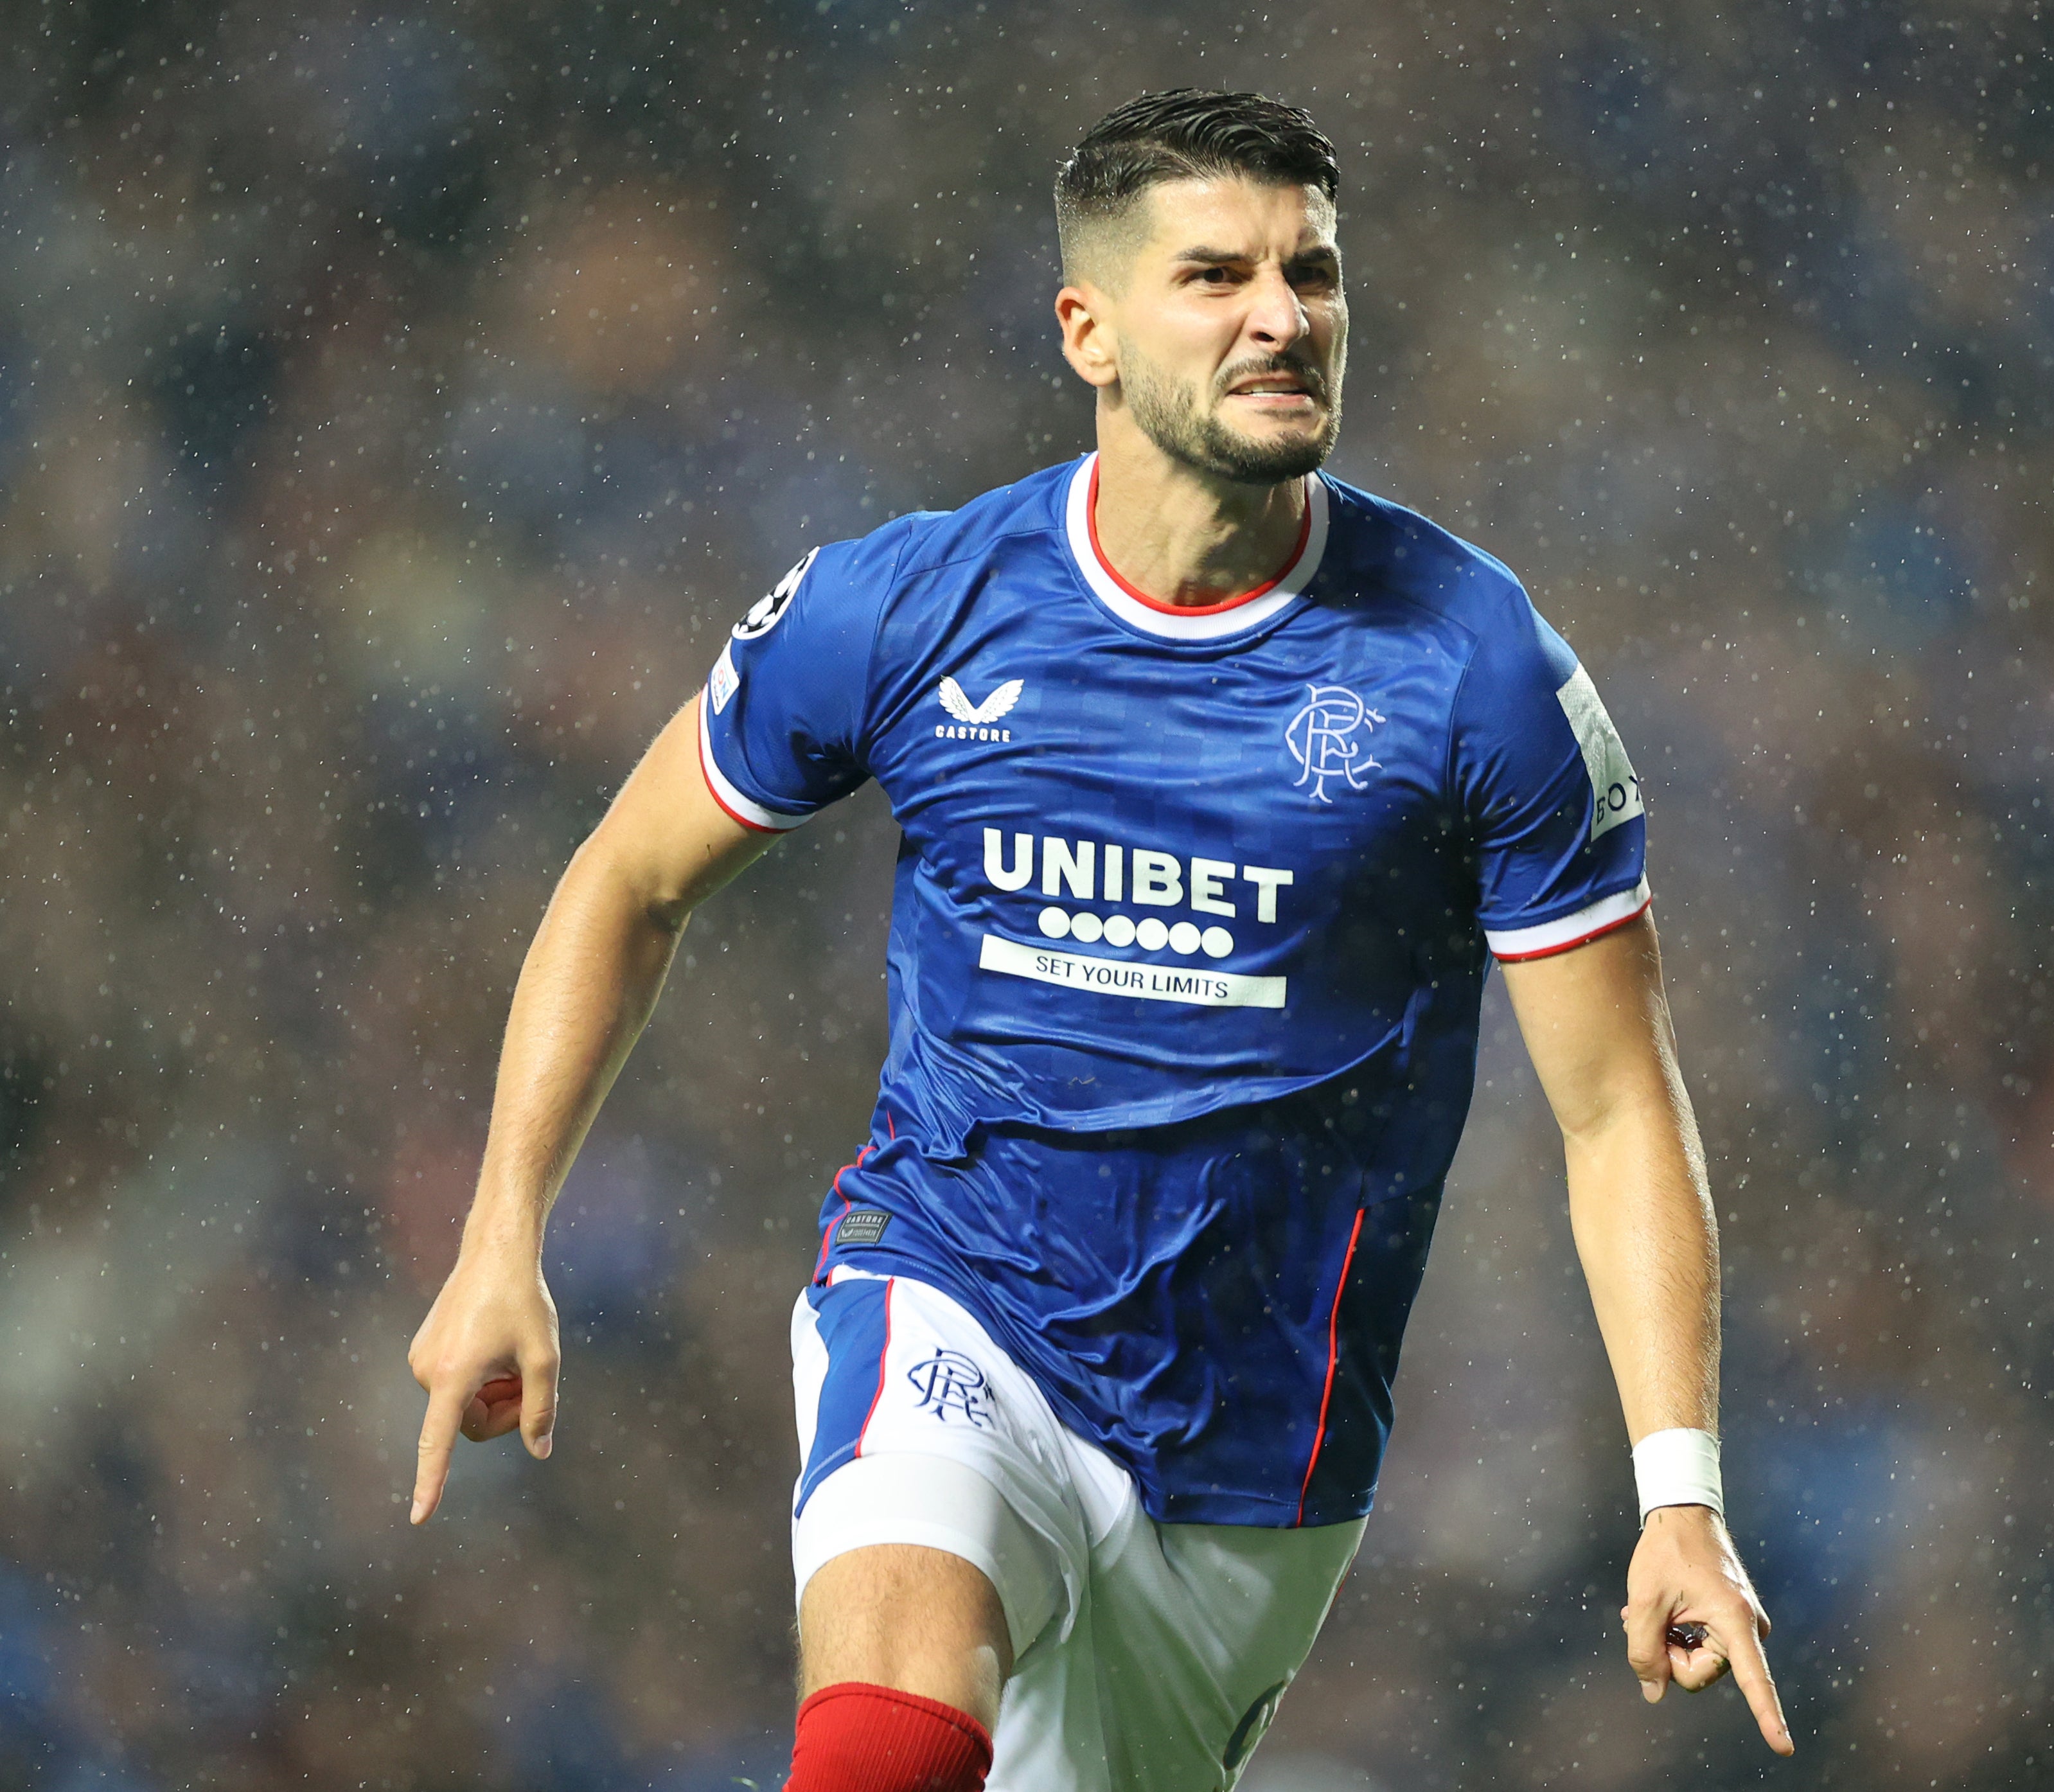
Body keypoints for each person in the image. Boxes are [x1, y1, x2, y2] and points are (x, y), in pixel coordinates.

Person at [405, 88, 1793, 1791]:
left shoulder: (1475, 667)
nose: (1283, 317)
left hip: (1255, 1456)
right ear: (1089, 330)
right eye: (1214, 276)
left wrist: (1678, 1497)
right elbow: (629, 878)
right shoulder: (907, 605)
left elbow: (1614, 1107)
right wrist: (502, 1233)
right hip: (955, 1291)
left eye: (1313, 273)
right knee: (882, 1744)